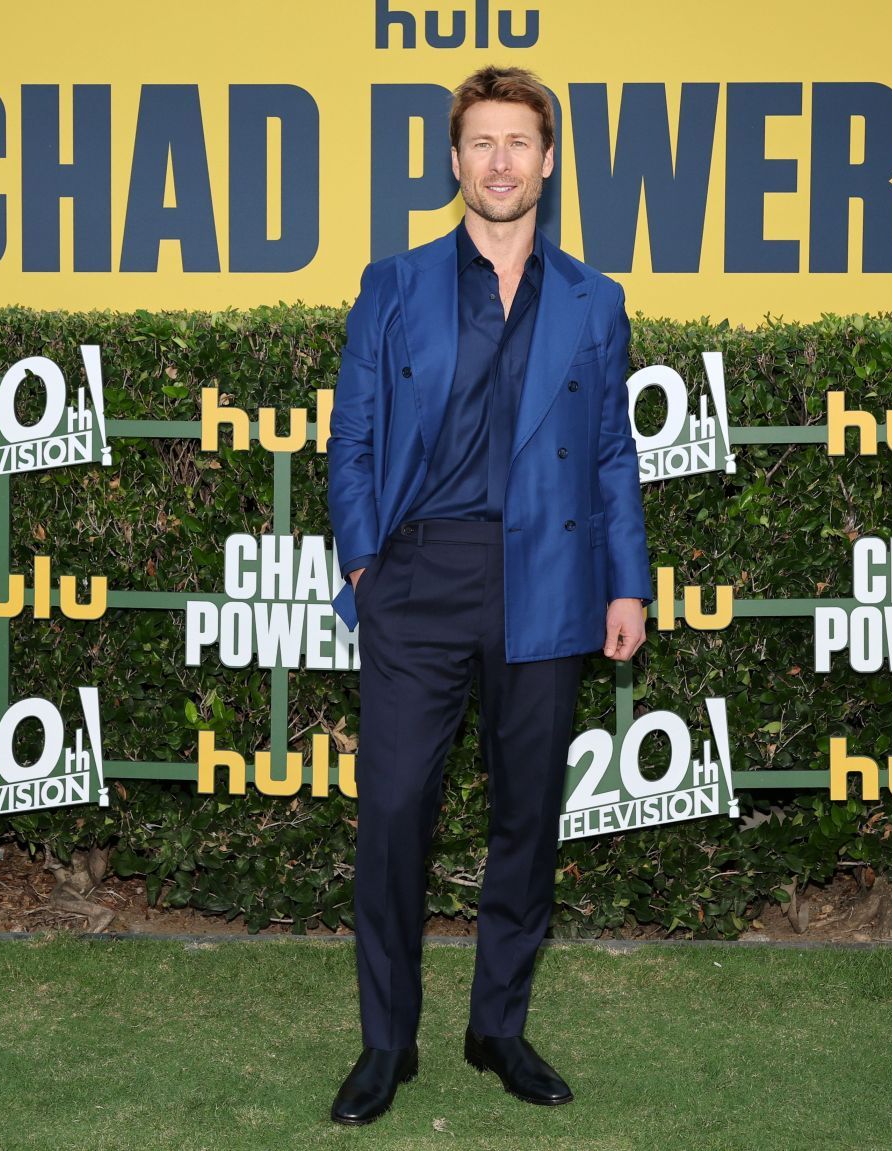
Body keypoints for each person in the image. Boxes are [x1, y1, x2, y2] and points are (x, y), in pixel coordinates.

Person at [324, 64, 652, 1126]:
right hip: (417, 578)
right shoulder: (394, 283)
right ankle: (387, 1043)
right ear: (455, 160)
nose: (500, 161)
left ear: (548, 160)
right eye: (482, 143)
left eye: (519, 142)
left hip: (548, 581)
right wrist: (367, 562)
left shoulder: (595, 301)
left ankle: (497, 1024)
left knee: (527, 816)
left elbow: (611, 453)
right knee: (393, 814)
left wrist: (627, 584)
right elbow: (356, 437)